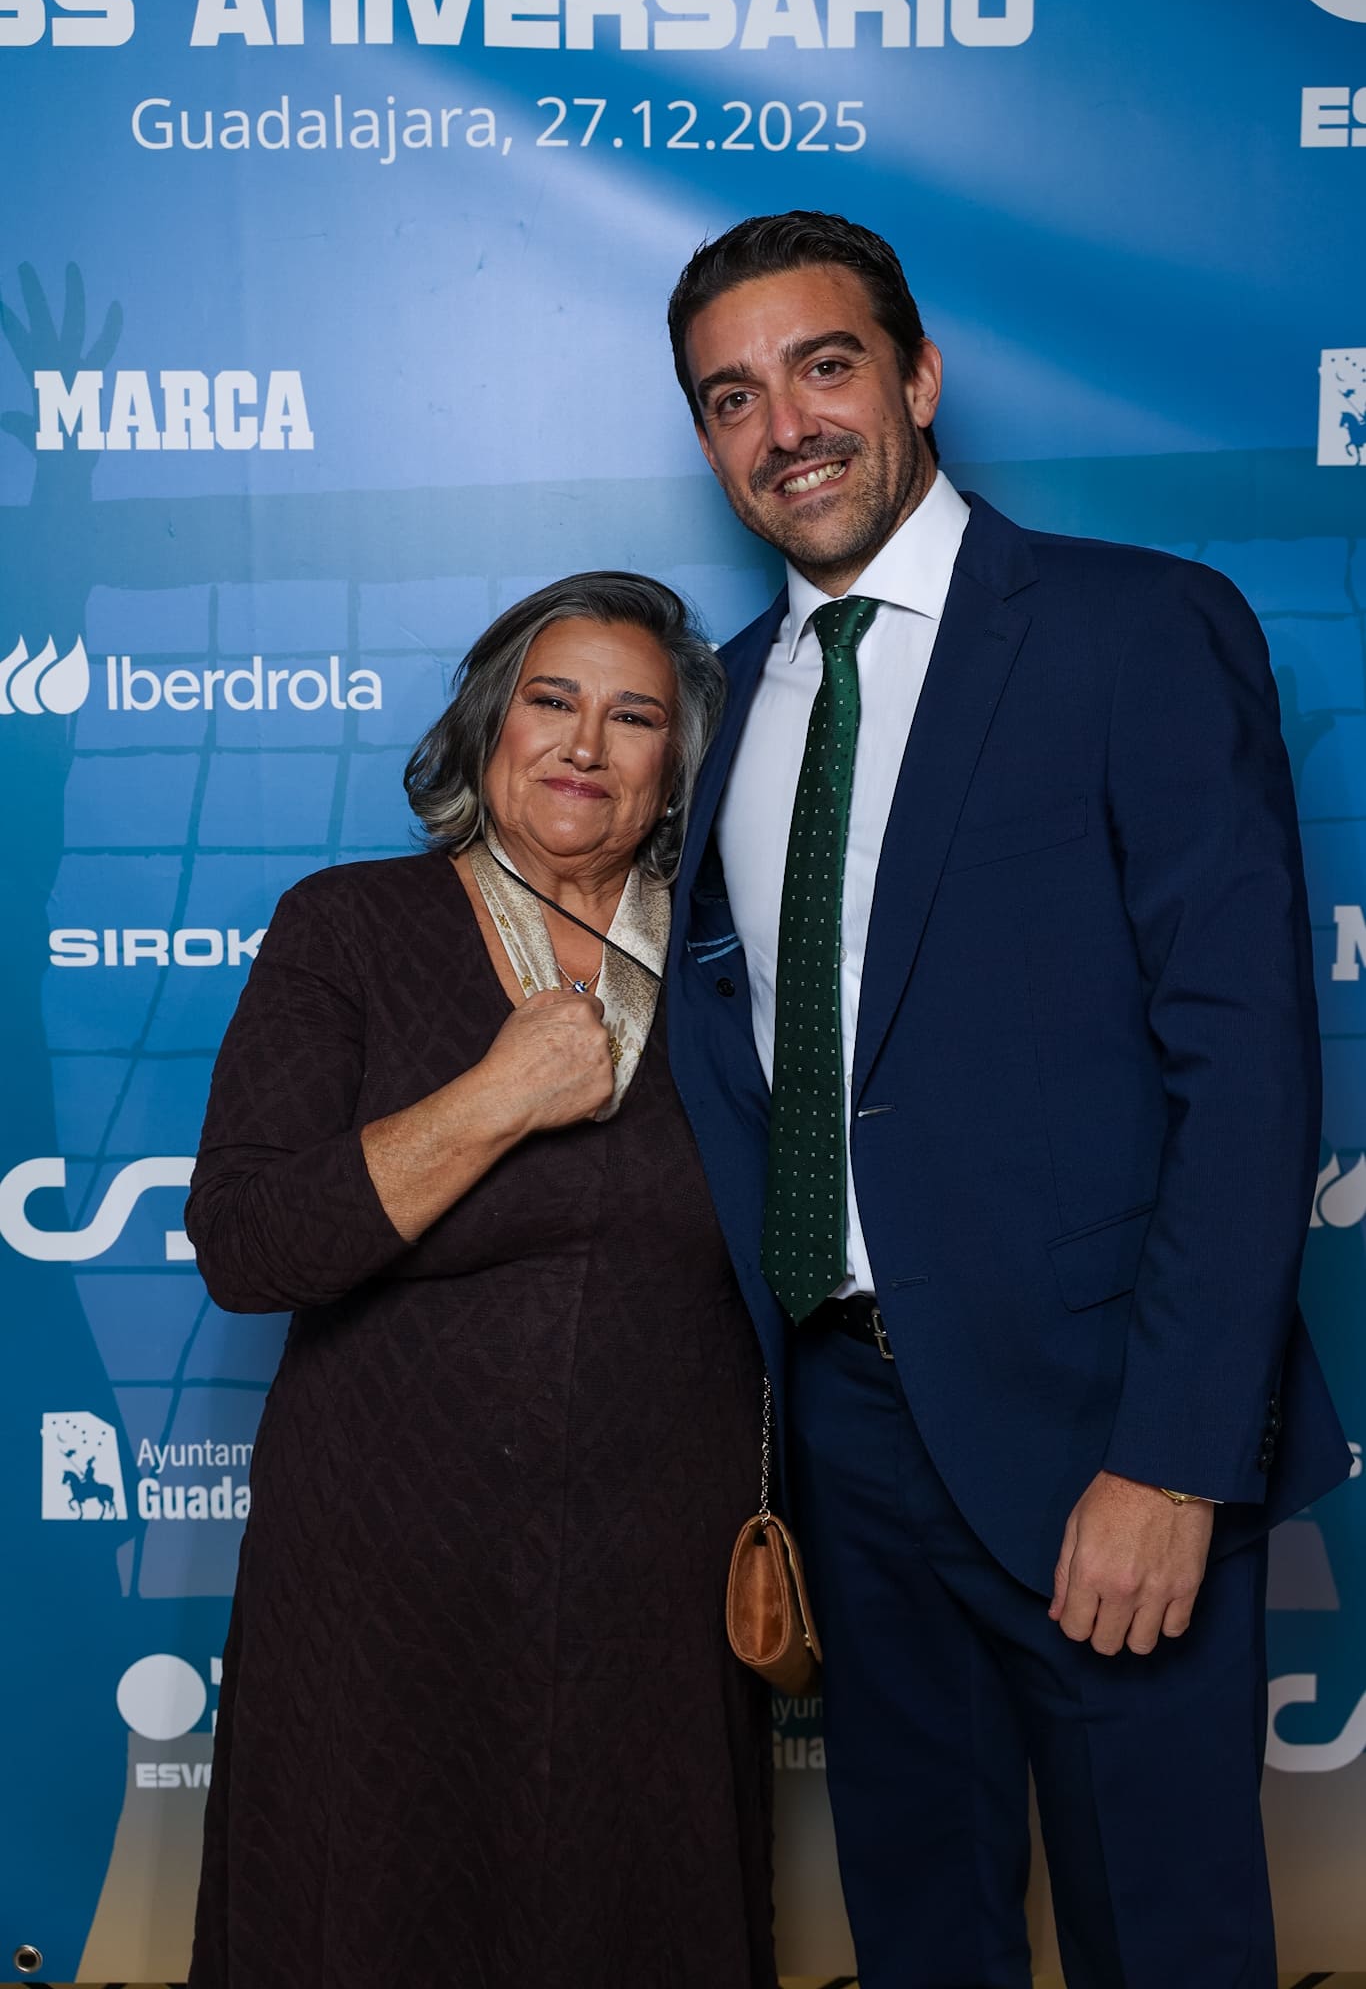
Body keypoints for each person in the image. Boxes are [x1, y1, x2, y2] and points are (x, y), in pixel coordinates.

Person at [662, 211, 1351, 1988]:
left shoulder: (1134, 627)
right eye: (730, 397)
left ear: (917, 377)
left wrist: (1173, 1458)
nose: (784, 427)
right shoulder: (719, 708)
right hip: (843, 1436)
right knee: (921, 1936)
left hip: (1100, 1436)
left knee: (1162, 1941)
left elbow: (1246, 1064)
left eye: (822, 366)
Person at [185, 571, 777, 1989]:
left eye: (634, 717)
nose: (584, 744)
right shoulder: (348, 926)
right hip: (382, 1564)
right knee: (370, 1910)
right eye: (550, 701)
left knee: (641, 1918)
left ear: (678, 764)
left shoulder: (735, 965)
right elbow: (250, 1245)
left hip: (657, 1568)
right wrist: (498, 1096)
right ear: (487, 728)